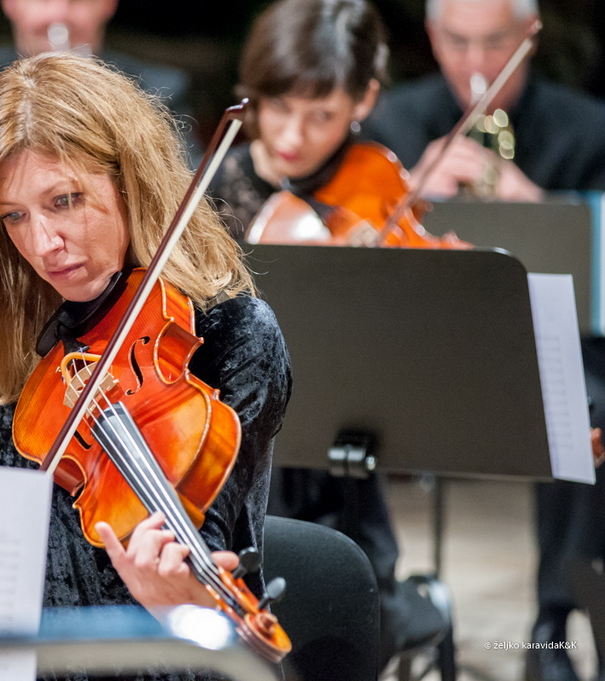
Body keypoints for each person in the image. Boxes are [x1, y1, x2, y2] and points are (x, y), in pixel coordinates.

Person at [0, 52, 291, 677]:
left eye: (65, 200)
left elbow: (215, 537)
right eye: (15, 216)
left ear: (131, 182)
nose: (42, 244)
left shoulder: (226, 338)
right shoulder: (9, 359)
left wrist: (180, 595)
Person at [361, 1, 605, 679]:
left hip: (546, 345)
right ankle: (382, 602)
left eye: (493, 44)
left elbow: (600, 278)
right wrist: (407, 193)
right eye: (457, 43)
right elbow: (355, 253)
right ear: (434, 39)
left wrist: (540, 207)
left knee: (588, 406)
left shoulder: (587, 128)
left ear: (527, 38)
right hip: (428, 346)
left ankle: (555, 614)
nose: (475, 64)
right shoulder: (395, 124)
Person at [208, 0, 449, 670]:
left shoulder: (375, 182)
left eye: (323, 115)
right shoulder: (220, 188)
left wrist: (379, 283)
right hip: (251, 455)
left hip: (344, 452)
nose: (293, 135)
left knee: (351, 608)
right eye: (278, 106)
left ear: (363, 100)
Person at [0, 0, 198, 438]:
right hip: (4, 291)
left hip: (131, 305)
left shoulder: (156, 88)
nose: (57, 15)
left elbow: (185, 198)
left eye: (75, 0)